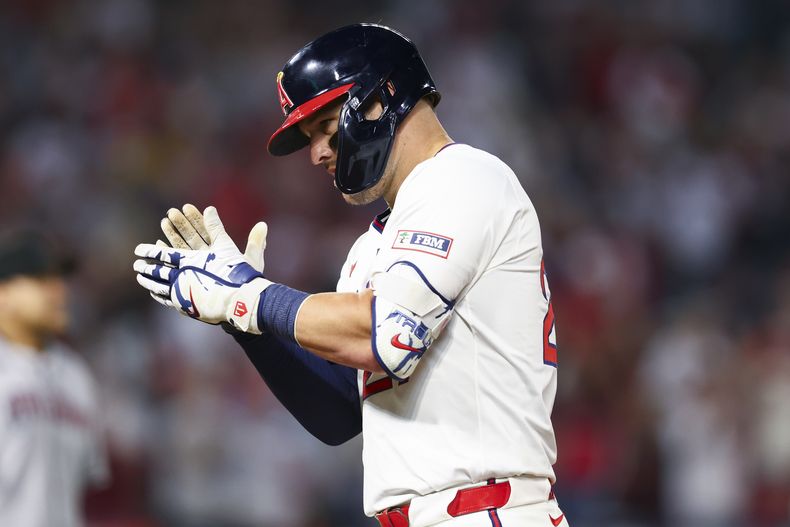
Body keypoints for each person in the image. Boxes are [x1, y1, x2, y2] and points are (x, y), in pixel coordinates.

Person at [134, 23, 568, 527]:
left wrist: (248, 297)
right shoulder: (374, 243)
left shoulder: (462, 177)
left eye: (323, 126)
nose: (317, 152)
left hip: (487, 510)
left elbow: (389, 335)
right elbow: (338, 411)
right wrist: (243, 320)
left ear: (382, 97)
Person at [0, 229, 108, 527]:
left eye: (60, 279)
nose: (59, 291)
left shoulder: (78, 376)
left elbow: (86, 486)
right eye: (41, 280)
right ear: (4, 295)